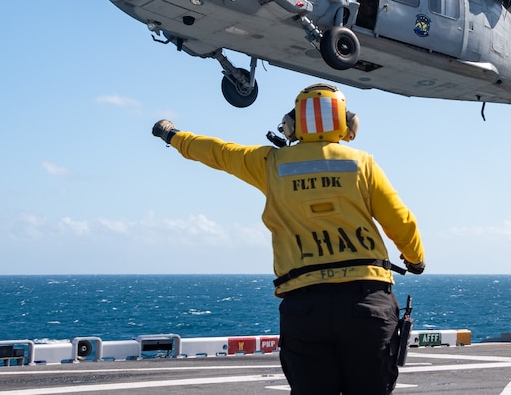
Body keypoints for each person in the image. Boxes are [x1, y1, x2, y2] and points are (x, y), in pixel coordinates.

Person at [152, 83, 425, 394]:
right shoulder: (361, 163)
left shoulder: (271, 163)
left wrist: (172, 136)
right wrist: (415, 259)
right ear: (348, 124)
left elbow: (217, 152)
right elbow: (401, 220)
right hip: (366, 303)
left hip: (305, 307)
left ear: (292, 125)